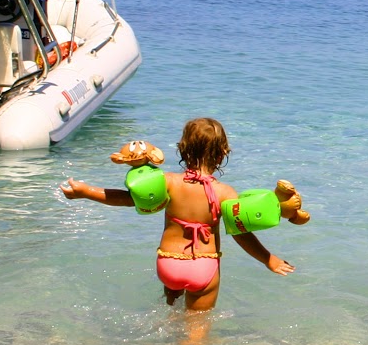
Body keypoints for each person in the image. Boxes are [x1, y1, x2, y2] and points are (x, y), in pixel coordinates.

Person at [60, 116, 295, 312]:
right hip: (203, 265)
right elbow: (240, 234)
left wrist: (86, 191)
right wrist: (269, 259)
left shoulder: (168, 181)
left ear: (182, 149)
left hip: (169, 264)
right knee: (196, 333)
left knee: (171, 316)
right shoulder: (225, 192)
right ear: (223, 153)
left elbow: (126, 199)